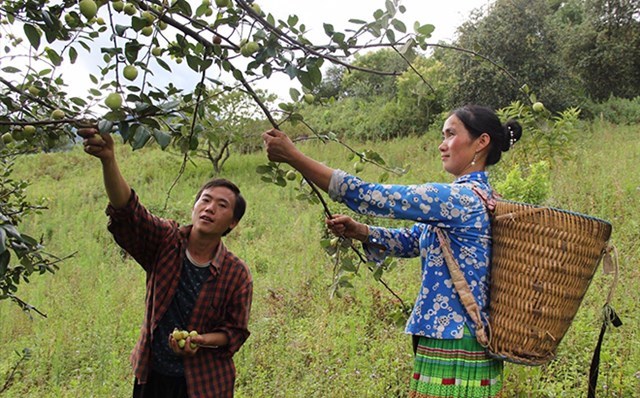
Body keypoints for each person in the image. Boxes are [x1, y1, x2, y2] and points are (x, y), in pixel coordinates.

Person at [262, 104, 522, 397]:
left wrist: (294, 157)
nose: (442, 144)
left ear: (481, 142)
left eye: (451, 134)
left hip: (453, 338)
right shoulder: (482, 197)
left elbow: (368, 195)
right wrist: (361, 231)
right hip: (465, 334)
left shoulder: (458, 198)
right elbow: (414, 241)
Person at [79, 127, 253, 398]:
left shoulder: (236, 274)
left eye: (222, 205)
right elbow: (129, 212)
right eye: (205, 200)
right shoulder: (165, 241)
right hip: (152, 376)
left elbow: (235, 332)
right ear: (194, 207)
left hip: (205, 385)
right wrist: (109, 160)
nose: (210, 208)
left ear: (232, 222)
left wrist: (200, 341)